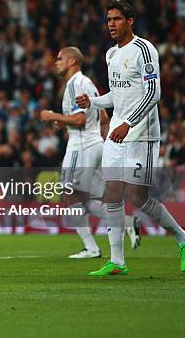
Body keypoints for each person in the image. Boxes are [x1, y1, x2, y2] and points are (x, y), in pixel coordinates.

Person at [76, 0, 185, 276]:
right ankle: (117, 261)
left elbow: (153, 93)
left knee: (138, 196)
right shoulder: (110, 55)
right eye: (108, 20)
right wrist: (93, 102)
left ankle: (183, 237)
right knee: (112, 196)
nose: (112, 24)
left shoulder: (144, 49)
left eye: (117, 19)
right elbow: (116, 97)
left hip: (141, 134)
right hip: (117, 134)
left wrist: (129, 123)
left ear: (130, 21)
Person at [40, 46, 141, 259]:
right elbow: (102, 117)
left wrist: (53, 116)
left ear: (72, 62)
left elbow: (80, 120)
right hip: (95, 145)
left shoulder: (76, 83)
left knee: (69, 197)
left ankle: (91, 248)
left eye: (60, 58)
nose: (56, 62)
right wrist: (66, 121)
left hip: (81, 146)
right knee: (88, 201)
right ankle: (128, 222)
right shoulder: (87, 84)